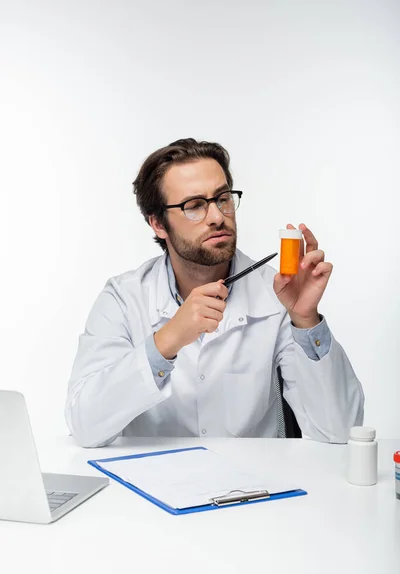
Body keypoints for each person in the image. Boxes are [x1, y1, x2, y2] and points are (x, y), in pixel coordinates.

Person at [65, 138, 364, 447]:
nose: (218, 216)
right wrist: (168, 340)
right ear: (158, 223)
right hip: (152, 486)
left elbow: (340, 432)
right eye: (194, 206)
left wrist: (305, 319)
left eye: (223, 198)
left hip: (257, 488)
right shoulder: (124, 298)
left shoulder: (277, 294)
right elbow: (86, 427)